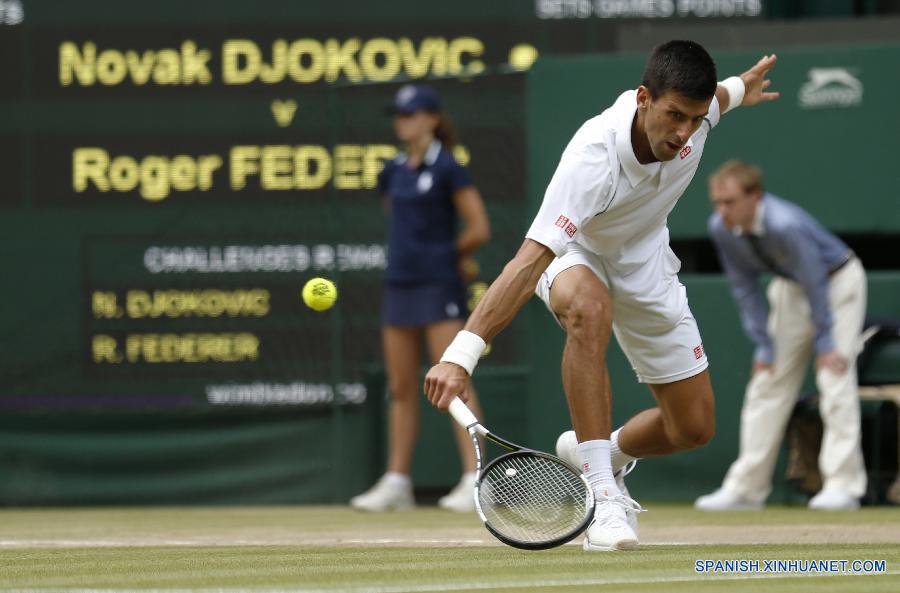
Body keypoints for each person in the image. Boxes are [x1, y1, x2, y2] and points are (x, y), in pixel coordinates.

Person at [424, 40, 780, 551]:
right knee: (588, 308)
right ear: (643, 98)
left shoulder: (699, 119)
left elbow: (721, 98)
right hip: (577, 254)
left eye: (693, 119)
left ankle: (599, 454)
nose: (683, 133)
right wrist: (461, 355)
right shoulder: (593, 157)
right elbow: (527, 265)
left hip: (647, 261)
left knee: (693, 427)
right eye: (673, 115)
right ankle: (600, 496)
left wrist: (742, 89)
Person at [695, 160, 867, 512]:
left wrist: (825, 341)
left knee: (833, 377)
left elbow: (816, 279)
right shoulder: (721, 229)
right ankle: (746, 488)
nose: (722, 210)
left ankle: (843, 486)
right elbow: (744, 287)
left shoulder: (784, 224)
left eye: (730, 201)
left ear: (755, 196)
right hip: (791, 289)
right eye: (717, 202)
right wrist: (764, 343)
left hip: (836, 284)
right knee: (766, 382)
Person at [351, 84, 491, 513]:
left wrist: (452, 256)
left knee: (453, 379)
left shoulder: (449, 168)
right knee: (400, 386)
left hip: (438, 285)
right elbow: (400, 225)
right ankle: (397, 482)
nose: (402, 122)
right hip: (400, 283)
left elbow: (478, 228)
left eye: (411, 115)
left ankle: (476, 477)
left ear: (431, 118)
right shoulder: (391, 171)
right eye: (399, 115)